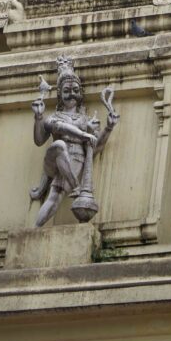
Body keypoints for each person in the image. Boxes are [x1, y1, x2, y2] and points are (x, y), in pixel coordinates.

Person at [30, 57, 118, 227]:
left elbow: (96, 146)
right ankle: (76, 187)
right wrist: (38, 116)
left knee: (54, 198)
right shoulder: (54, 117)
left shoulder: (85, 120)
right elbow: (41, 139)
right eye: (66, 90)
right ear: (59, 94)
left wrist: (108, 128)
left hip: (76, 160)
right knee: (60, 145)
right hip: (55, 159)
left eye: (75, 90)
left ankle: (36, 228)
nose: (71, 94)